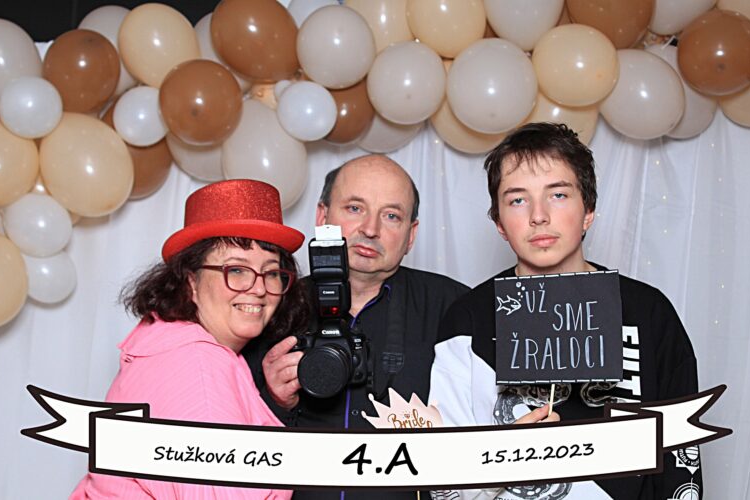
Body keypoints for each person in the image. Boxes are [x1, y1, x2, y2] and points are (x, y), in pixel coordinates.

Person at [429, 123, 701, 499]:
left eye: (558, 195)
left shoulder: (648, 312)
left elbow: (680, 461)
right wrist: (502, 459)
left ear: (588, 210)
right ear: (500, 223)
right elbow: (443, 484)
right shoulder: (467, 320)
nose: (539, 215)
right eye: (518, 200)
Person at [245, 154, 469, 500]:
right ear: (322, 217)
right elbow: (229, 440)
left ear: (411, 235)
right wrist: (272, 401)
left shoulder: (455, 309)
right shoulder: (271, 305)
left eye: (391, 216)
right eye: (354, 208)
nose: (370, 229)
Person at [71, 179, 310, 499]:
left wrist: (276, 404)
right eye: (236, 270)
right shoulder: (199, 367)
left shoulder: (171, 341)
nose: (258, 288)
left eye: (271, 272)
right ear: (191, 282)